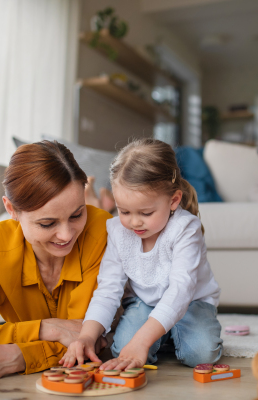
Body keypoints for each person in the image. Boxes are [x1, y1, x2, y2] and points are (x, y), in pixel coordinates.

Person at [0, 140, 113, 378]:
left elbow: (88, 341)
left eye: (77, 214)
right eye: (47, 223)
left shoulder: (101, 231)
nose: (67, 235)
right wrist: (45, 329)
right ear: (11, 209)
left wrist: (17, 357)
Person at [60, 138, 223, 370]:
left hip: (191, 303)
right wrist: (86, 336)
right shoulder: (118, 230)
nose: (134, 222)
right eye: (123, 210)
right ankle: (163, 334)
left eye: (146, 212)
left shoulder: (186, 229)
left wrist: (142, 341)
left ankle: (164, 334)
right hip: (143, 302)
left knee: (200, 355)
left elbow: (180, 292)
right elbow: (108, 290)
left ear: (174, 200)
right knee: (122, 350)